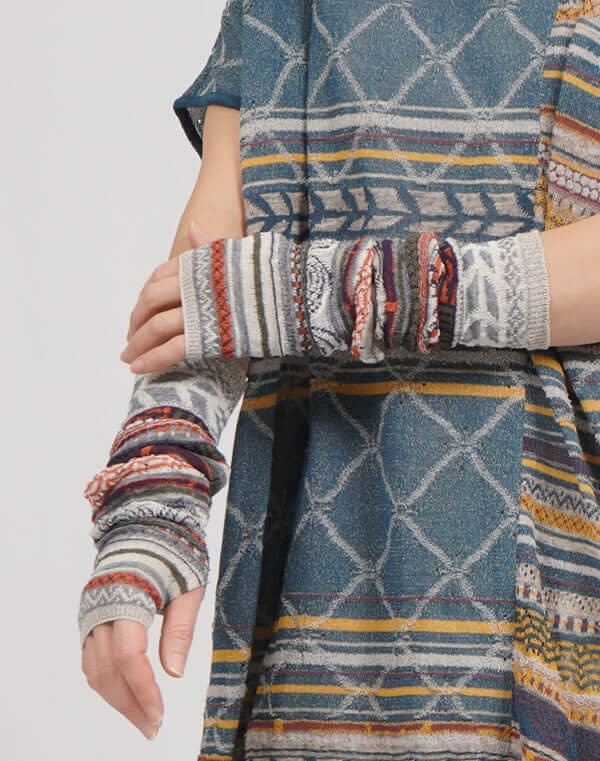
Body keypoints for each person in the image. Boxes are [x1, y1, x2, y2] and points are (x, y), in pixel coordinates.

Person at [79, 1, 600, 759]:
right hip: (312, 598)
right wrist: (150, 508)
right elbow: (204, 287)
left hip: (544, 587)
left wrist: (315, 292)